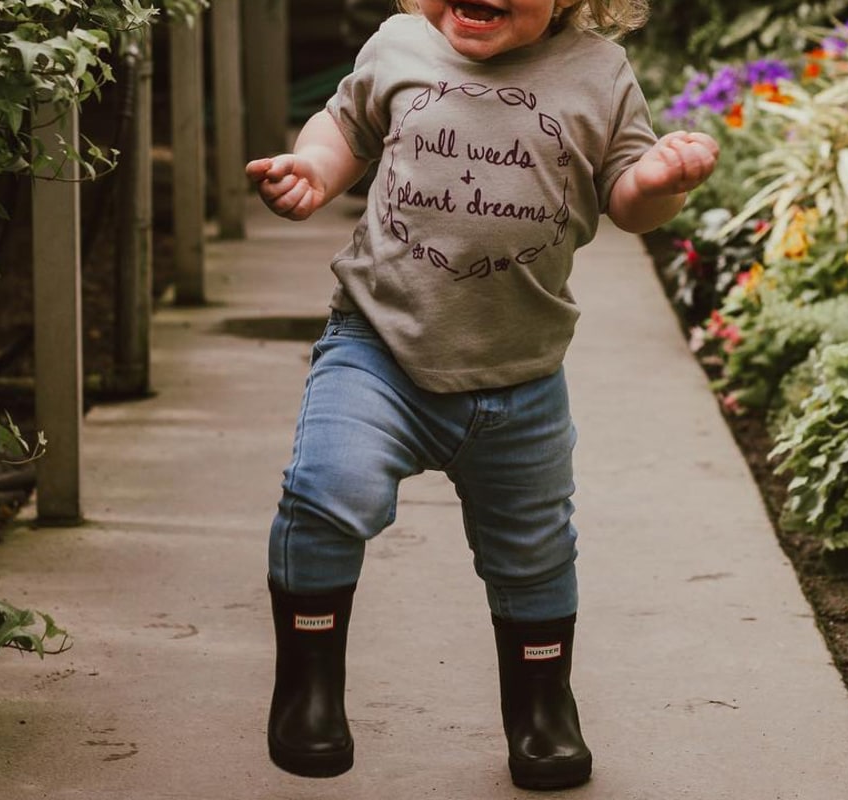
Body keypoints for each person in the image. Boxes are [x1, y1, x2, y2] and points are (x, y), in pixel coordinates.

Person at [246, 0, 719, 790]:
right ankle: (309, 688)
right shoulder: (399, 45)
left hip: (521, 372)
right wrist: (313, 171)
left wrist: (661, 180)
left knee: (534, 552)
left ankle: (541, 711)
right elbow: (343, 129)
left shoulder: (598, 72)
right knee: (326, 491)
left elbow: (627, 196)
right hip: (378, 345)